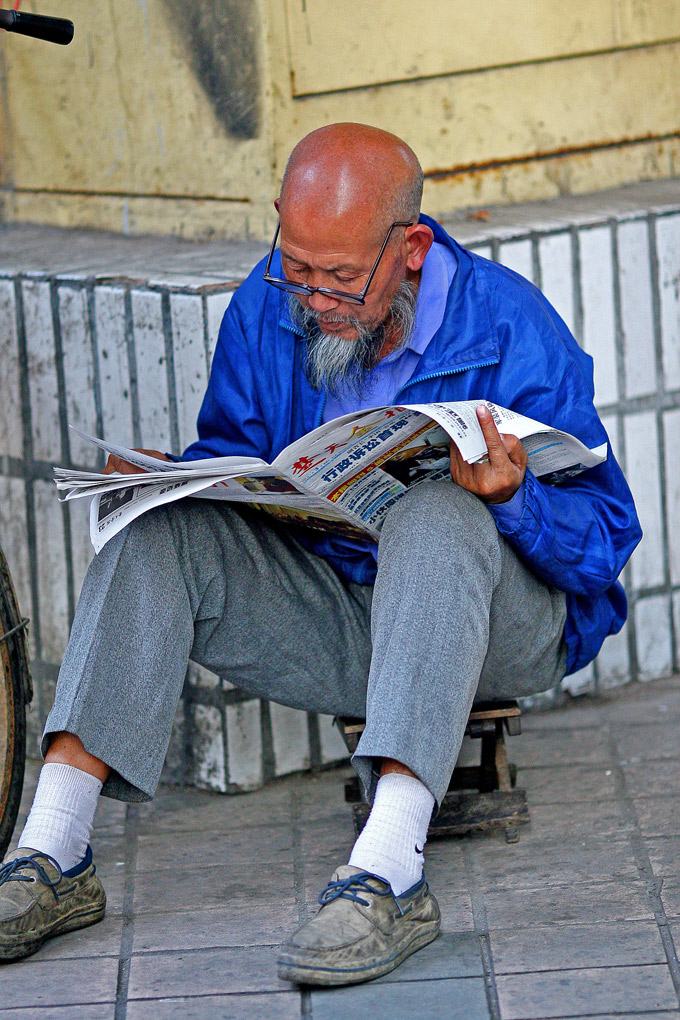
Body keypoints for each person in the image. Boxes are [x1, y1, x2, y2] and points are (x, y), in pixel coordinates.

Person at [0, 123, 641, 982]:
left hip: (496, 622)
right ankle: (53, 852)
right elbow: (235, 463)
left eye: (341, 277)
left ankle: (389, 869)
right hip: (348, 618)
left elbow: (605, 545)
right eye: (297, 268)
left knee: (439, 513)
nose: (314, 299)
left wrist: (516, 499)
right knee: (156, 525)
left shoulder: (510, 323)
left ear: (410, 249)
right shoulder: (266, 310)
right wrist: (175, 484)